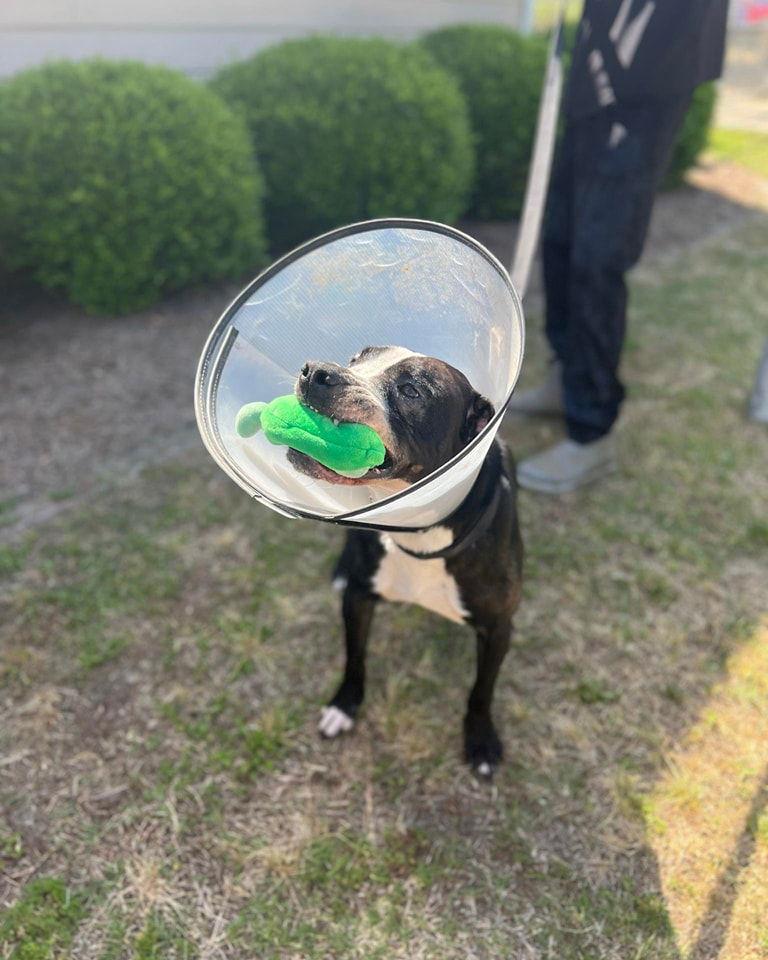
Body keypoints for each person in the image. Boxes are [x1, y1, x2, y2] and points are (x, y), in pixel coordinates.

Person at [513, 0, 729, 494]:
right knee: (561, 241)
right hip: (592, 79)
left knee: (597, 258)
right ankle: (568, 376)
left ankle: (592, 426)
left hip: (646, 84)